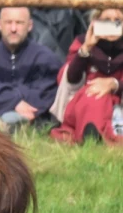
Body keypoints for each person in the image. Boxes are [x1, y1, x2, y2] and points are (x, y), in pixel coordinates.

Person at [0, 7, 62, 132]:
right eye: (8, 22)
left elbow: (45, 94)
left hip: (28, 117)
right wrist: (15, 101)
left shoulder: (45, 59)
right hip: (1, 110)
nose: (13, 29)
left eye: (19, 23)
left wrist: (8, 98)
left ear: (30, 25)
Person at [51, 9, 123, 144]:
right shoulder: (82, 41)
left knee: (102, 98)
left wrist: (113, 84)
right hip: (84, 102)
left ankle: (94, 136)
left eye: (118, 21)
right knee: (94, 95)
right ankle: (93, 136)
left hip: (118, 104)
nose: (112, 25)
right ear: (96, 23)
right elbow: (70, 78)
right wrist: (86, 48)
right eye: (106, 21)